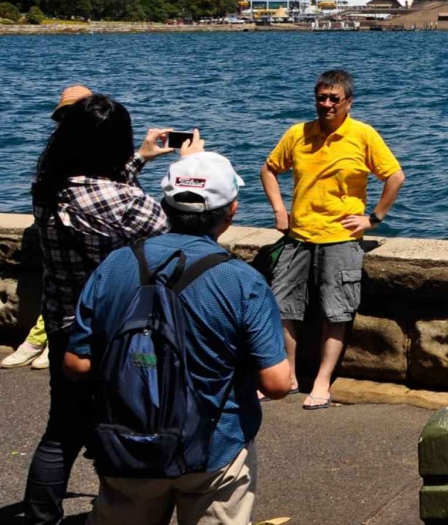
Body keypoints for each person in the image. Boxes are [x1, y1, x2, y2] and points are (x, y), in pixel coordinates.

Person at [66, 141, 292, 525]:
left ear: (165, 206)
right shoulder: (241, 281)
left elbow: (76, 363)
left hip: (127, 444)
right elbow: (276, 383)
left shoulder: (115, 265)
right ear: (231, 210)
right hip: (213, 447)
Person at [25, 90, 174, 525]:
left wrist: (141, 159)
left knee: (64, 428)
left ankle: (40, 517)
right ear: (116, 145)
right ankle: (119, 513)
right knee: (126, 421)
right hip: (118, 331)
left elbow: (94, 185)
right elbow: (173, 230)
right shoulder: (124, 202)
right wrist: (189, 167)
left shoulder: (46, 188)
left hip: (62, 321)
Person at [260, 69, 404, 410]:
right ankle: (289, 377)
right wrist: (280, 209)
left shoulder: (363, 135)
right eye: (321, 98)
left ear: (348, 103)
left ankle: (323, 382)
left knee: (336, 312)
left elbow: (395, 176)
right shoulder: (299, 134)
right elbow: (268, 169)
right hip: (298, 237)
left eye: (333, 99)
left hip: (341, 238)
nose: (326, 104)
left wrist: (373, 218)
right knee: (282, 308)